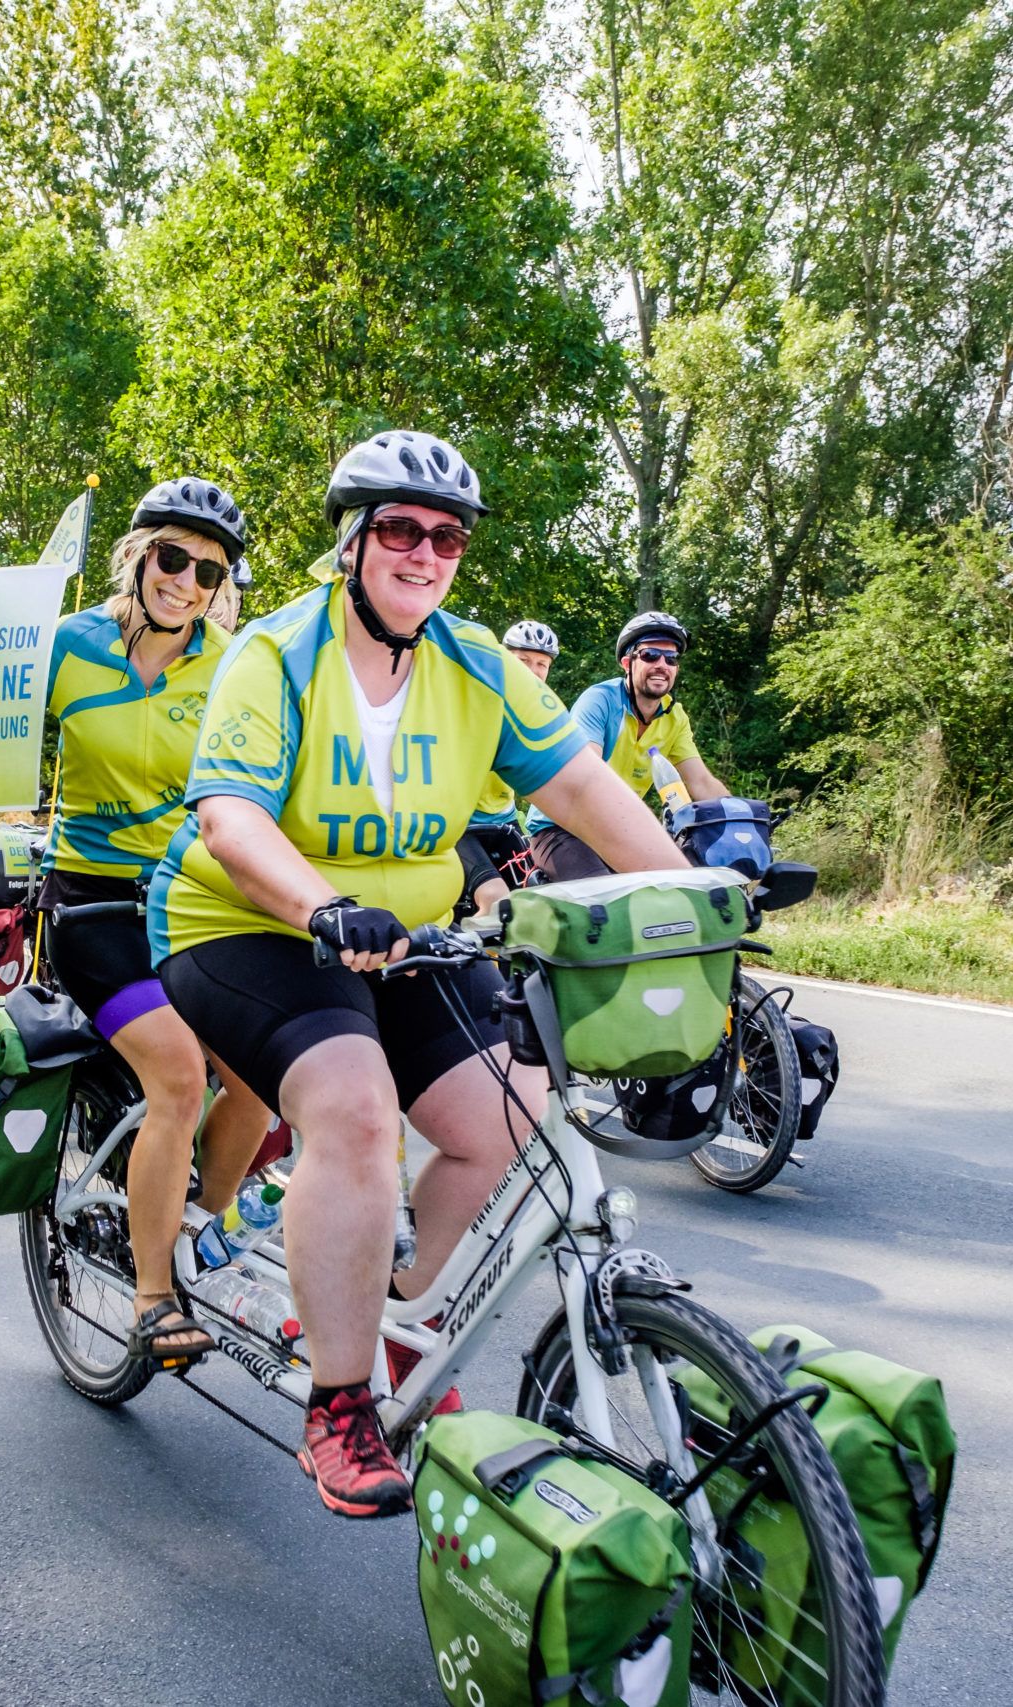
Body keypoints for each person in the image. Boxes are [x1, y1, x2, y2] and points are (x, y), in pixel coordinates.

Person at [149, 431, 688, 1517]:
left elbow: (581, 792)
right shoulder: (273, 652)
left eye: (445, 537)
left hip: (407, 934)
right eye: (398, 528)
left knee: (516, 1116)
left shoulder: (474, 662)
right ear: (351, 542)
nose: (424, 552)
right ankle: (338, 1402)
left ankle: (384, 1312)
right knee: (352, 1111)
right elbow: (231, 816)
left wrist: (687, 894)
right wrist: (321, 905)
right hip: (243, 921)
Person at [0, 476, 273, 1370]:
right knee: (181, 1076)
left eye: (208, 569)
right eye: (171, 558)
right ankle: (154, 1301)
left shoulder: (234, 662)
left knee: (265, 1075)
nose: (186, 582)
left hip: (193, 897)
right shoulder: (71, 642)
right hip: (91, 901)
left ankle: (196, 1219)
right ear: (139, 554)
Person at [524, 611, 729, 882]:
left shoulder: (674, 716)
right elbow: (586, 778)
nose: (662, 664)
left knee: (681, 889)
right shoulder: (600, 701)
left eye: (671, 658)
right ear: (626, 662)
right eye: (650, 655)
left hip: (618, 829)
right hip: (561, 827)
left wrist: (740, 818)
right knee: (603, 900)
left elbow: (701, 782)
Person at [456, 619, 562, 916]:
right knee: (495, 897)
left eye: (542, 664)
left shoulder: (541, 714)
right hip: (458, 824)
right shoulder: (477, 701)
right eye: (523, 660)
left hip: (503, 820)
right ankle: (469, 960)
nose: (533, 670)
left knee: (534, 902)